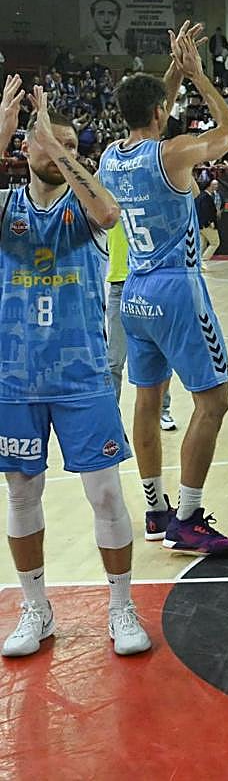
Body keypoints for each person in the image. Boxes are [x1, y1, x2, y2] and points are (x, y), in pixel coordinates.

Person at [0, 77, 150, 657]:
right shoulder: (8, 207)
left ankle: (121, 607)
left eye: (69, 144)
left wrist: (60, 146)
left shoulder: (84, 208)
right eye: (45, 141)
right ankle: (34, 609)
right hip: (15, 376)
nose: (58, 150)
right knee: (20, 495)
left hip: (82, 373)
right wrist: (8, 129)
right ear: (24, 148)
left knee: (107, 495)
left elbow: (109, 212)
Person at [98, 22, 228, 556]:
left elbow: (150, 116)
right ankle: (188, 516)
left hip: (132, 288)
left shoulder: (111, 158)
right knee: (214, 401)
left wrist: (171, 77)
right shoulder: (174, 153)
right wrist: (200, 78)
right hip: (177, 290)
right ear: (161, 113)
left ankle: (155, 508)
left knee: (146, 399)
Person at [106, 216, 177, 435]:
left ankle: (162, 410)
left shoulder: (149, 199)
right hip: (120, 284)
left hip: (151, 282)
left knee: (160, 356)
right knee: (114, 361)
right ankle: (109, 419)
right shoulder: (107, 195)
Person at [196, 178, 222, 268]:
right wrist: (210, 222)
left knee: (202, 245)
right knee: (215, 242)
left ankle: (197, 262)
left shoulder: (200, 196)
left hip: (200, 225)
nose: (216, 186)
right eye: (214, 184)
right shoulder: (206, 197)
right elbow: (206, 211)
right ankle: (202, 260)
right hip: (206, 225)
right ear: (209, 186)